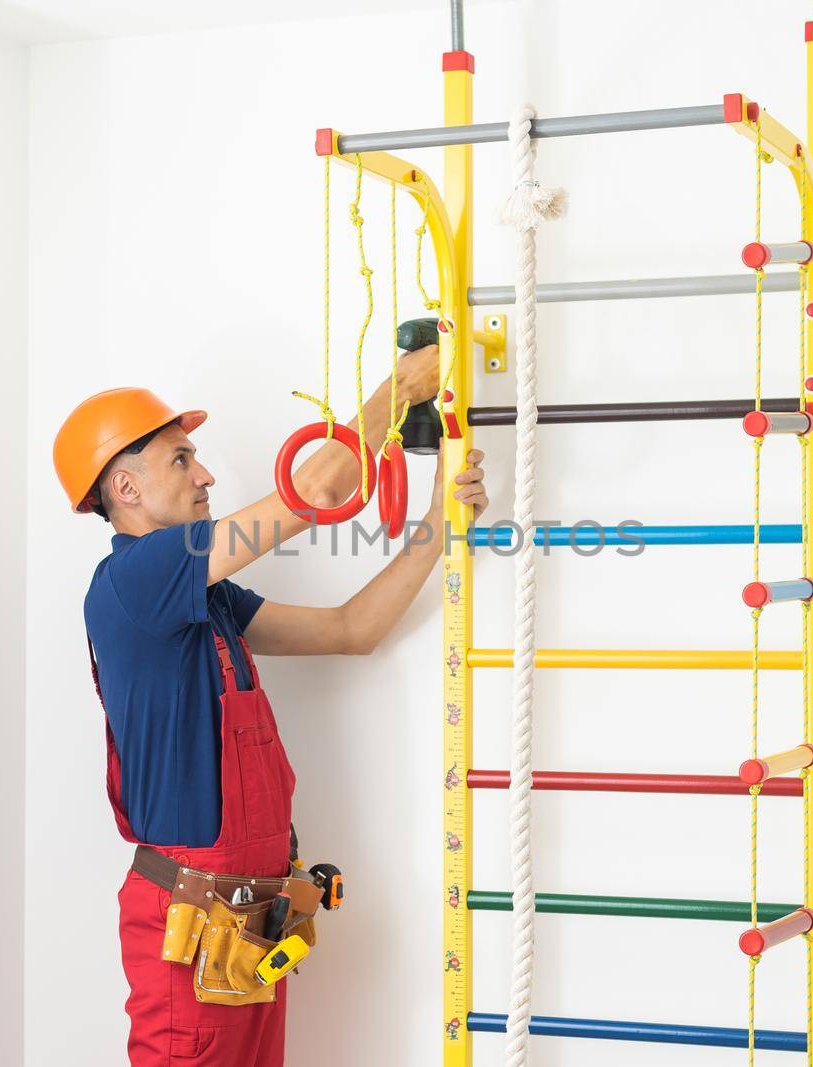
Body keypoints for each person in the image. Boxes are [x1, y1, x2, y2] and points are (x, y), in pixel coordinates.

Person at [51, 346, 488, 1066]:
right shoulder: (135, 577)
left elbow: (353, 630)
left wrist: (438, 524)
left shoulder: (207, 599)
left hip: (247, 931)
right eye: (181, 459)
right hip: (189, 935)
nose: (207, 473)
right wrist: (398, 389)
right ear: (124, 486)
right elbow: (310, 491)